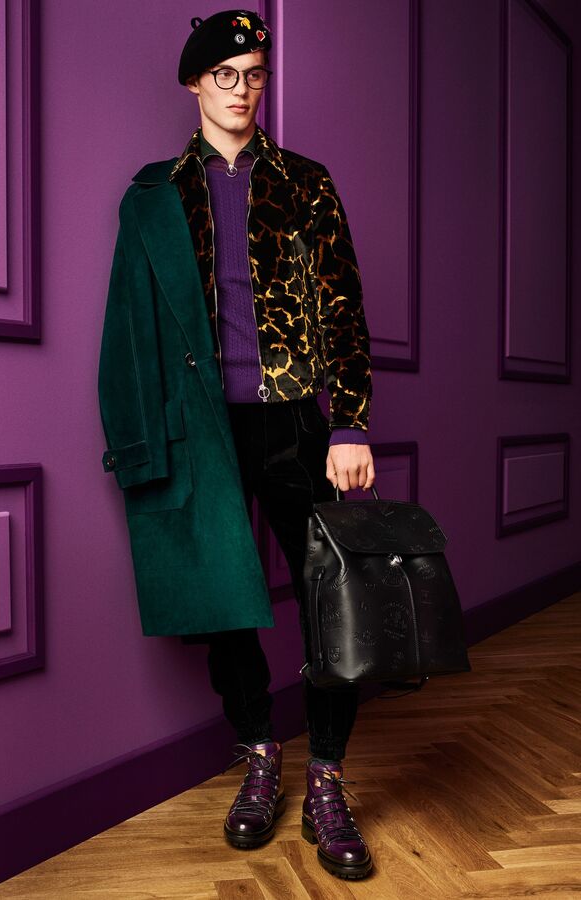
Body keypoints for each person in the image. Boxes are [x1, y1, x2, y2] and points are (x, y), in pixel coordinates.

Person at [174, 9, 375, 880]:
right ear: (195, 83)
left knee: (332, 601)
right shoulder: (163, 195)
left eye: (255, 73)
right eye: (226, 74)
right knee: (224, 601)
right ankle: (259, 753)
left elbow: (344, 305)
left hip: (295, 419)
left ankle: (327, 776)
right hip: (206, 428)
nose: (243, 89)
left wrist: (350, 420)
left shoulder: (307, 182)